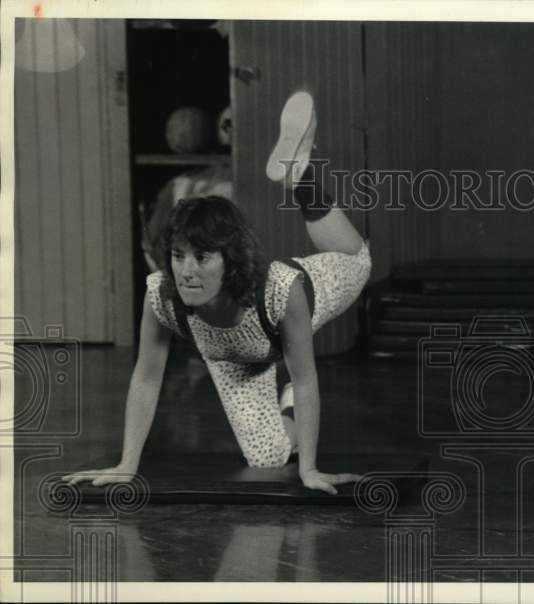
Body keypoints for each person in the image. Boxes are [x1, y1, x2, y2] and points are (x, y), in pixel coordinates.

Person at [64, 91, 371, 494]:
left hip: (311, 292)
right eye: (178, 256)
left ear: (230, 260)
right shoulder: (161, 296)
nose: (186, 271)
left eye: (203, 257)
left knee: (358, 261)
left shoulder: (283, 289)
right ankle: (287, 406)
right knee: (268, 459)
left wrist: (309, 470)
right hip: (236, 362)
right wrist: (126, 465)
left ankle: (301, 178)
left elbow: (306, 378)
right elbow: (146, 378)